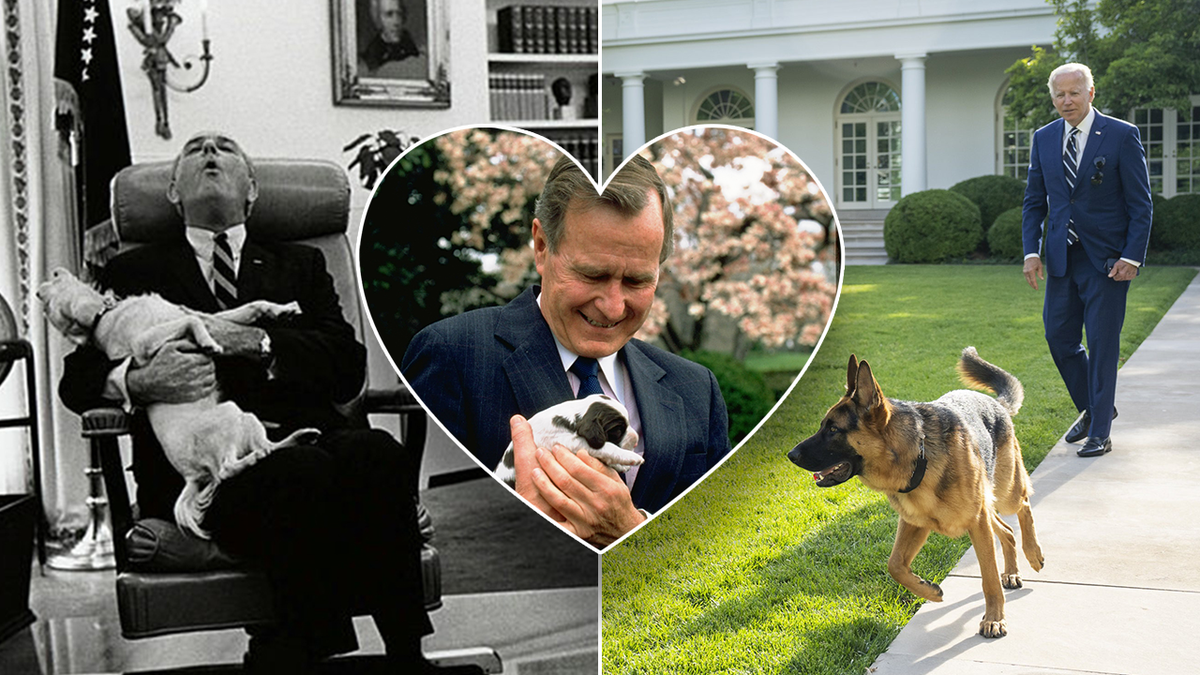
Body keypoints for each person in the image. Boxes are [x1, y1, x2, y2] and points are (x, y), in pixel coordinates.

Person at [57, 132, 481, 675]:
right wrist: (135, 380)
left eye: (225, 148)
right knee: (303, 471)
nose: (210, 151)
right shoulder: (132, 274)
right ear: (171, 192)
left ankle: (403, 658)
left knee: (375, 451)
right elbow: (76, 381)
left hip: (313, 439)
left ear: (252, 191)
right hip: (211, 471)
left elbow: (345, 364)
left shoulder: (299, 265)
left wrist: (258, 343)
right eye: (195, 150)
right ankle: (300, 654)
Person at [402, 154, 732, 547]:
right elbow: (415, 526)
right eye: (593, 274)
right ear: (541, 247)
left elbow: (724, 548)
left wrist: (632, 530)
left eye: (636, 281)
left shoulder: (698, 391)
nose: (612, 306)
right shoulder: (452, 357)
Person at [1021, 62, 1152, 459]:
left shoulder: (1120, 135)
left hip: (1109, 262)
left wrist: (1132, 256)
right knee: (1059, 338)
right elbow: (1034, 202)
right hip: (1061, 258)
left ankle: (1100, 431)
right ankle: (1097, 408)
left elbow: (1140, 203)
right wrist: (1031, 251)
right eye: (1059, 94)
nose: (1066, 101)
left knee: (1101, 343)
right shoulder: (1044, 138)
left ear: (1090, 93)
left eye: (1074, 93)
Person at [358, 0, 425, 79]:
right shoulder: (371, 56)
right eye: (389, 15)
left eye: (399, 14)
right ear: (378, 19)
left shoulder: (412, 49)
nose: (396, 22)